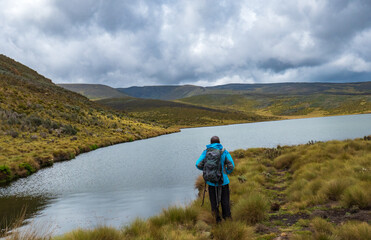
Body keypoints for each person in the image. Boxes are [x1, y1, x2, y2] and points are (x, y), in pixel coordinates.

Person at [196, 136, 235, 223]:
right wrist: (226, 172)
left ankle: (217, 220)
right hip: (223, 181)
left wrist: (207, 171)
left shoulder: (206, 152)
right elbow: (231, 165)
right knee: (225, 202)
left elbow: (198, 164)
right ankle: (228, 220)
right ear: (219, 142)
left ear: (210, 143)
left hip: (211, 182)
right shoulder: (224, 151)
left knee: (214, 202)